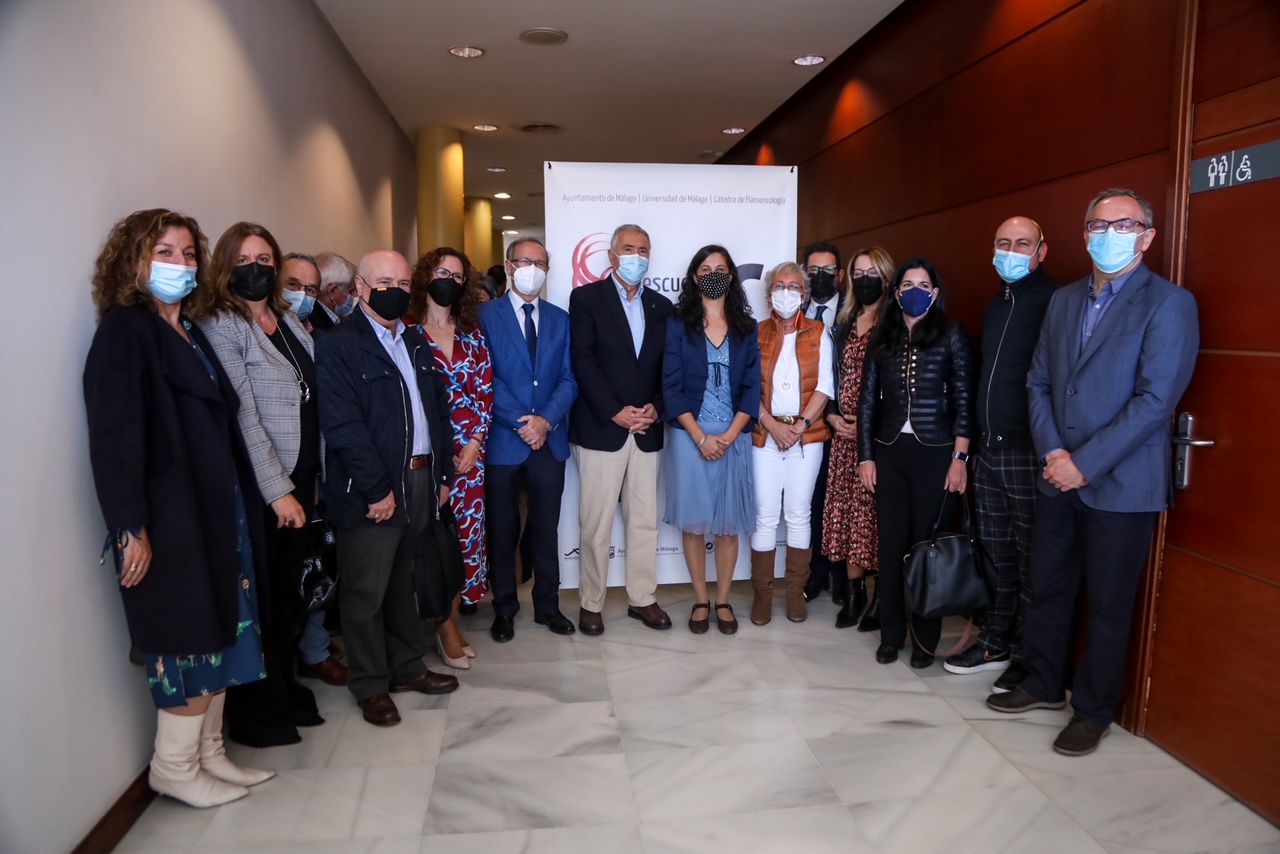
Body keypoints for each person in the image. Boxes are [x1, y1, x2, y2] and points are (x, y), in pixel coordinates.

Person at [987, 189, 1199, 757]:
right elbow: (1039, 382)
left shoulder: (1169, 302)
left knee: (1108, 603)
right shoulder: (1063, 301)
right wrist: (1056, 455)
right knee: (1048, 585)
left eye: (1122, 224)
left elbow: (1156, 401)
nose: (1108, 234)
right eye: (1097, 225)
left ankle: (1094, 709)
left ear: (1146, 235)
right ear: (1084, 235)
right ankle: (1042, 681)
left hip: (1122, 483)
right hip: (1056, 474)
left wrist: (1085, 463)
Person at [84, 209, 273, 807]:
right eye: (165, 252)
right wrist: (129, 526)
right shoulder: (125, 330)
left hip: (217, 513)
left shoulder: (187, 330)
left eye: (189, 254)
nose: (181, 264)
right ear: (134, 262)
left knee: (224, 632)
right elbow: (114, 435)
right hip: (170, 521)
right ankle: (174, 766)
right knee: (185, 638)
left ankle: (210, 754)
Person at [191, 224, 325, 748]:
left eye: (265, 257)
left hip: (303, 475)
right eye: (244, 258)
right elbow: (243, 414)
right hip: (262, 485)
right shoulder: (222, 323)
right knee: (263, 599)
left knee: (290, 594)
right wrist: (278, 490)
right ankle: (255, 711)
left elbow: (309, 396)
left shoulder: (288, 318)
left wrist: (310, 482)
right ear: (226, 265)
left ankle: (286, 688)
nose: (257, 267)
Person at [315, 249, 460, 727]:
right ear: (360, 285)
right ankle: (371, 685)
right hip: (371, 488)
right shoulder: (340, 344)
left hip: (421, 478)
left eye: (402, 283)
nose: (395, 290)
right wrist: (377, 489)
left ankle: (406, 667)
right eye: (384, 282)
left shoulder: (415, 341)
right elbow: (343, 426)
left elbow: (436, 411)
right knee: (366, 592)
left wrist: (441, 475)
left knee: (404, 580)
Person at [943, 218, 1060, 688]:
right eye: (1003, 244)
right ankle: (994, 639)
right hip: (987, 453)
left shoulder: (1056, 301)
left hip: (1029, 453)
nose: (1011, 251)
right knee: (995, 554)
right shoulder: (996, 305)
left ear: (1041, 251)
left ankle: (1029, 657)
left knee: (1033, 559)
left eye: (1022, 244)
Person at [858, 257, 974, 669]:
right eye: (907, 284)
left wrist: (960, 457)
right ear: (896, 291)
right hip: (889, 453)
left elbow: (964, 400)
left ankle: (925, 639)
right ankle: (891, 635)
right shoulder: (882, 337)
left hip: (935, 454)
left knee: (928, 549)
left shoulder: (952, 334)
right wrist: (865, 457)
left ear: (935, 293)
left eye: (923, 284)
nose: (914, 290)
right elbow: (868, 401)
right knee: (891, 546)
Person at [568, 224, 673, 635]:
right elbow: (583, 361)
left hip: (647, 430)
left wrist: (656, 409)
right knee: (596, 524)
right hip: (601, 429)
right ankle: (591, 602)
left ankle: (642, 599)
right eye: (629, 249)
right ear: (612, 256)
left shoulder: (663, 307)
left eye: (644, 250)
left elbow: (670, 368)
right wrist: (615, 411)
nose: (637, 256)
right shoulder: (586, 299)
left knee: (644, 521)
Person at [479, 237, 579, 641]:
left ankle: (548, 606)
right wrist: (526, 422)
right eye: (525, 260)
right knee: (502, 530)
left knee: (545, 529)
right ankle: (504, 609)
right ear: (508, 264)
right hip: (505, 442)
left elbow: (569, 379)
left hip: (549, 442)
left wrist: (546, 421)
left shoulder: (560, 318)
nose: (533, 268)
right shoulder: (484, 315)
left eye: (540, 262)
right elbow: (485, 378)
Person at [663, 245, 761, 634]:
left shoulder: (746, 327)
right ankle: (700, 599)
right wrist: (702, 437)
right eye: (706, 269)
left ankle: (723, 600)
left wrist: (729, 435)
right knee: (693, 522)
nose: (714, 274)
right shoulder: (677, 323)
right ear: (693, 277)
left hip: (732, 436)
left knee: (727, 525)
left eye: (721, 268)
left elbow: (752, 387)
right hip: (690, 435)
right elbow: (670, 385)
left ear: (732, 276)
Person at [408, 246, 493, 667]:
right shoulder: (406, 335)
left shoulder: (473, 334)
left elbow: (484, 393)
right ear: (426, 276)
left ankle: (451, 624)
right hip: (425, 458)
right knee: (430, 545)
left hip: (469, 463)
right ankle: (436, 626)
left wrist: (475, 442)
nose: (451, 281)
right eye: (443, 272)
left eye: (459, 277)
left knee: (463, 544)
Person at [749, 262, 832, 625]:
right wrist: (769, 423)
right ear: (769, 293)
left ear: (805, 293)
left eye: (794, 287)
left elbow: (825, 386)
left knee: (798, 514)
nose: (786, 292)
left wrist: (799, 426)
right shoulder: (754, 333)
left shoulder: (819, 332)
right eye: (779, 286)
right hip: (764, 436)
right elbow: (746, 387)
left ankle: (796, 593)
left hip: (805, 438)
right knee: (765, 516)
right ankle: (762, 597)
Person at [822, 247, 893, 629]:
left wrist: (869, 424)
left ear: (886, 276)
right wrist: (832, 415)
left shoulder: (896, 321)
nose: (864, 279)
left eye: (872, 273)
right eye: (858, 273)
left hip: (878, 440)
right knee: (847, 518)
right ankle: (853, 595)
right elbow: (829, 380)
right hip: (843, 438)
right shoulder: (843, 321)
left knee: (876, 519)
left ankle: (882, 597)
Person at [799, 243, 846, 606]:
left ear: (840, 275)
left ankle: (844, 575)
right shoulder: (792, 309)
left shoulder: (856, 312)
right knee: (813, 500)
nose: (820, 277)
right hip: (806, 424)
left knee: (843, 501)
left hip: (847, 424)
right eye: (812, 270)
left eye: (827, 270)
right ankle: (816, 571)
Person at [312, 251, 358, 331]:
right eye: (351, 291)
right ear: (332, 291)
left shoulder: (333, 320)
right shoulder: (319, 328)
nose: (355, 296)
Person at [279, 252, 320, 331]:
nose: (301, 294)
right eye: (292, 284)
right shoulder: (256, 330)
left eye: (310, 290)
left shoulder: (322, 340)